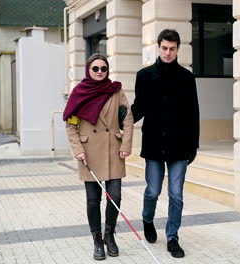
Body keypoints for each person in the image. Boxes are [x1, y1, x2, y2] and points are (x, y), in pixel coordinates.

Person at [131, 29, 200, 258]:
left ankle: (172, 237)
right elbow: (138, 108)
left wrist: (193, 147)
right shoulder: (144, 75)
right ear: (158, 47)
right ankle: (147, 219)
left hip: (180, 145)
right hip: (153, 144)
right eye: (164, 48)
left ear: (178, 49)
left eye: (172, 49)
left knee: (176, 194)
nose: (168, 52)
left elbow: (193, 113)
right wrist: (118, 121)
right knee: (152, 191)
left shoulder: (187, 77)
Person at [64, 54, 133, 261]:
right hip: (89, 152)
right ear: (88, 70)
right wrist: (77, 149)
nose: (100, 72)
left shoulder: (116, 90)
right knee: (93, 200)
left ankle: (109, 235)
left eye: (104, 68)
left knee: (116, 196)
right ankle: (97, 240)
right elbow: (71, 125)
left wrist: (127, 144)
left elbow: (128, 119)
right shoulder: (79, 93)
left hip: (113, 149)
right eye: (96, 69)